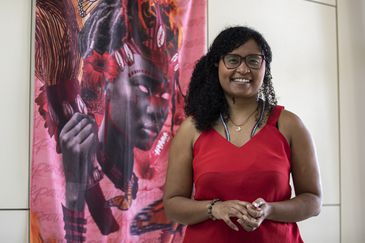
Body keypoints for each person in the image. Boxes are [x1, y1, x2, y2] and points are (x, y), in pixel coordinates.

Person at [163, 26, 322, 243]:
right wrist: (214, 209)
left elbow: (313, 201)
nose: (243, 69)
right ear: (217, 64)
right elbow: (172, 205)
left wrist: (269, 210)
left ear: (265, 67)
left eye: (253, 61)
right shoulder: (192, 129)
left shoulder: (290, 125)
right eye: (233, 60)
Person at [57, 0, 182, 241]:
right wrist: (74, 186)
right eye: (144, 89)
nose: (158, 108)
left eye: (165, 94)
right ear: (107, 83)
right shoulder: (82, 152)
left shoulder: (154, 178)